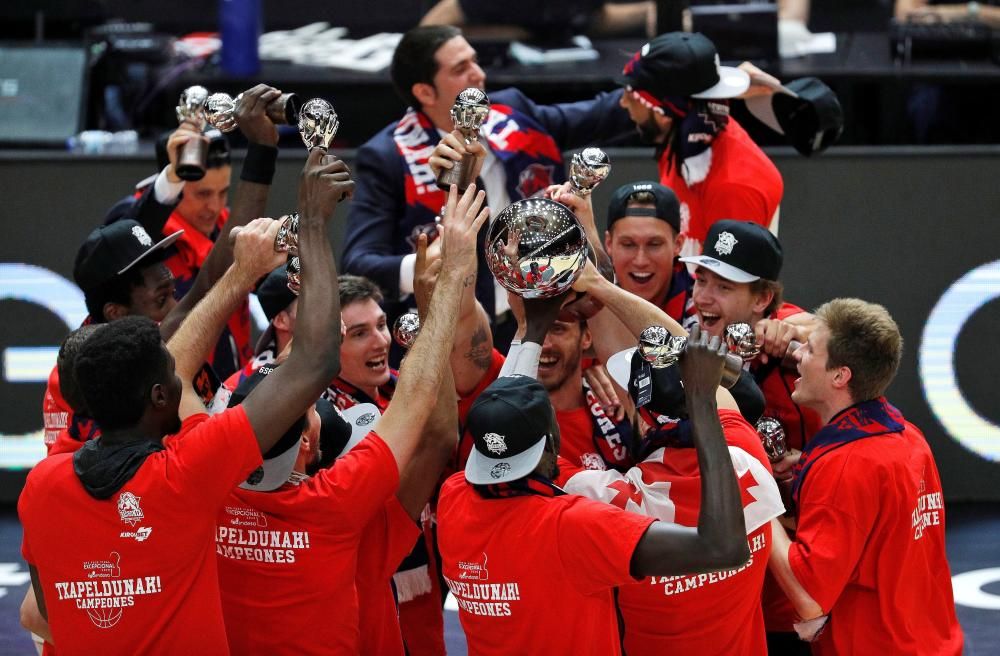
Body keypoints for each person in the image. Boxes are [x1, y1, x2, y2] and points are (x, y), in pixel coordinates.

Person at [18, 148, 351, 654]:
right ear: (159, 396)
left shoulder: (43, 484)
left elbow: (48, 614)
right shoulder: (188, 471)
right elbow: (317, 362)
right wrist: (313, 223)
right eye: (172, 374)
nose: (181, 373)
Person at [215, 184, 479, 653]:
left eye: (380, 326)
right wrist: (442, 288)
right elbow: (437, 431)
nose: (379, 341)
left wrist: (241, 273)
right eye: (356, 333)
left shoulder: (209, 495)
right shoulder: (339, 507)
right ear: (308, 447)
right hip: (374, 579)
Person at [437, 313, 750, 655]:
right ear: (553, 442)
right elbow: (723, 549)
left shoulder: (452, 498)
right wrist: (703, 399)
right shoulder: (571, 527)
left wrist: (536, 329)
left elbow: (505, 414)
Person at [343, 24, 633, 352]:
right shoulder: (387, 157)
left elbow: (599, 115)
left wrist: (650, 80)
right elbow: (358, 263)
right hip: (448, 331)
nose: (479, 75)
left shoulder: (513, 113)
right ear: (425, 92)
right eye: (461, 69)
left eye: (475, 62)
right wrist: (430, 265)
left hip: (529, 314)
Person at [42, 86, 284, 447]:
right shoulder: (87, 373)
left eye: (173, 293)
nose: (178, 306)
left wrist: (263, 149)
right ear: (116, 312)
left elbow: (209, 281)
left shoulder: (160, 344)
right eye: (161, 300)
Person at [767, 298, 963, 654]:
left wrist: (756, 506)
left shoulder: (845, 465)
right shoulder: (909, 437)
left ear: (840, 376)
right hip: (932, 642)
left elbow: (808, 597)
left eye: (811, 350)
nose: (798, 355)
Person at [105, 84, 285, 380]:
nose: (213, 207)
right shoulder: (136, 221)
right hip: (166, 384)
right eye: (202, 194)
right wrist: (173, 176)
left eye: (223, 192)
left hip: (229, 385)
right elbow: (126, 237)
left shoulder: (232, 226)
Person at [618, 32, 784, 259]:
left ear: (662, 111)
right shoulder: (681, 141)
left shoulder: (732, 187)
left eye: (632, 94)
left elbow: (729, 291)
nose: (623, 102)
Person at [601, 180, 695, 324]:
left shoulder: (704, 307)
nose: (641, 261)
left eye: (654, 244)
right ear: (609, 244)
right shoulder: (589, 304)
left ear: (678, 244)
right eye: (628, 245)